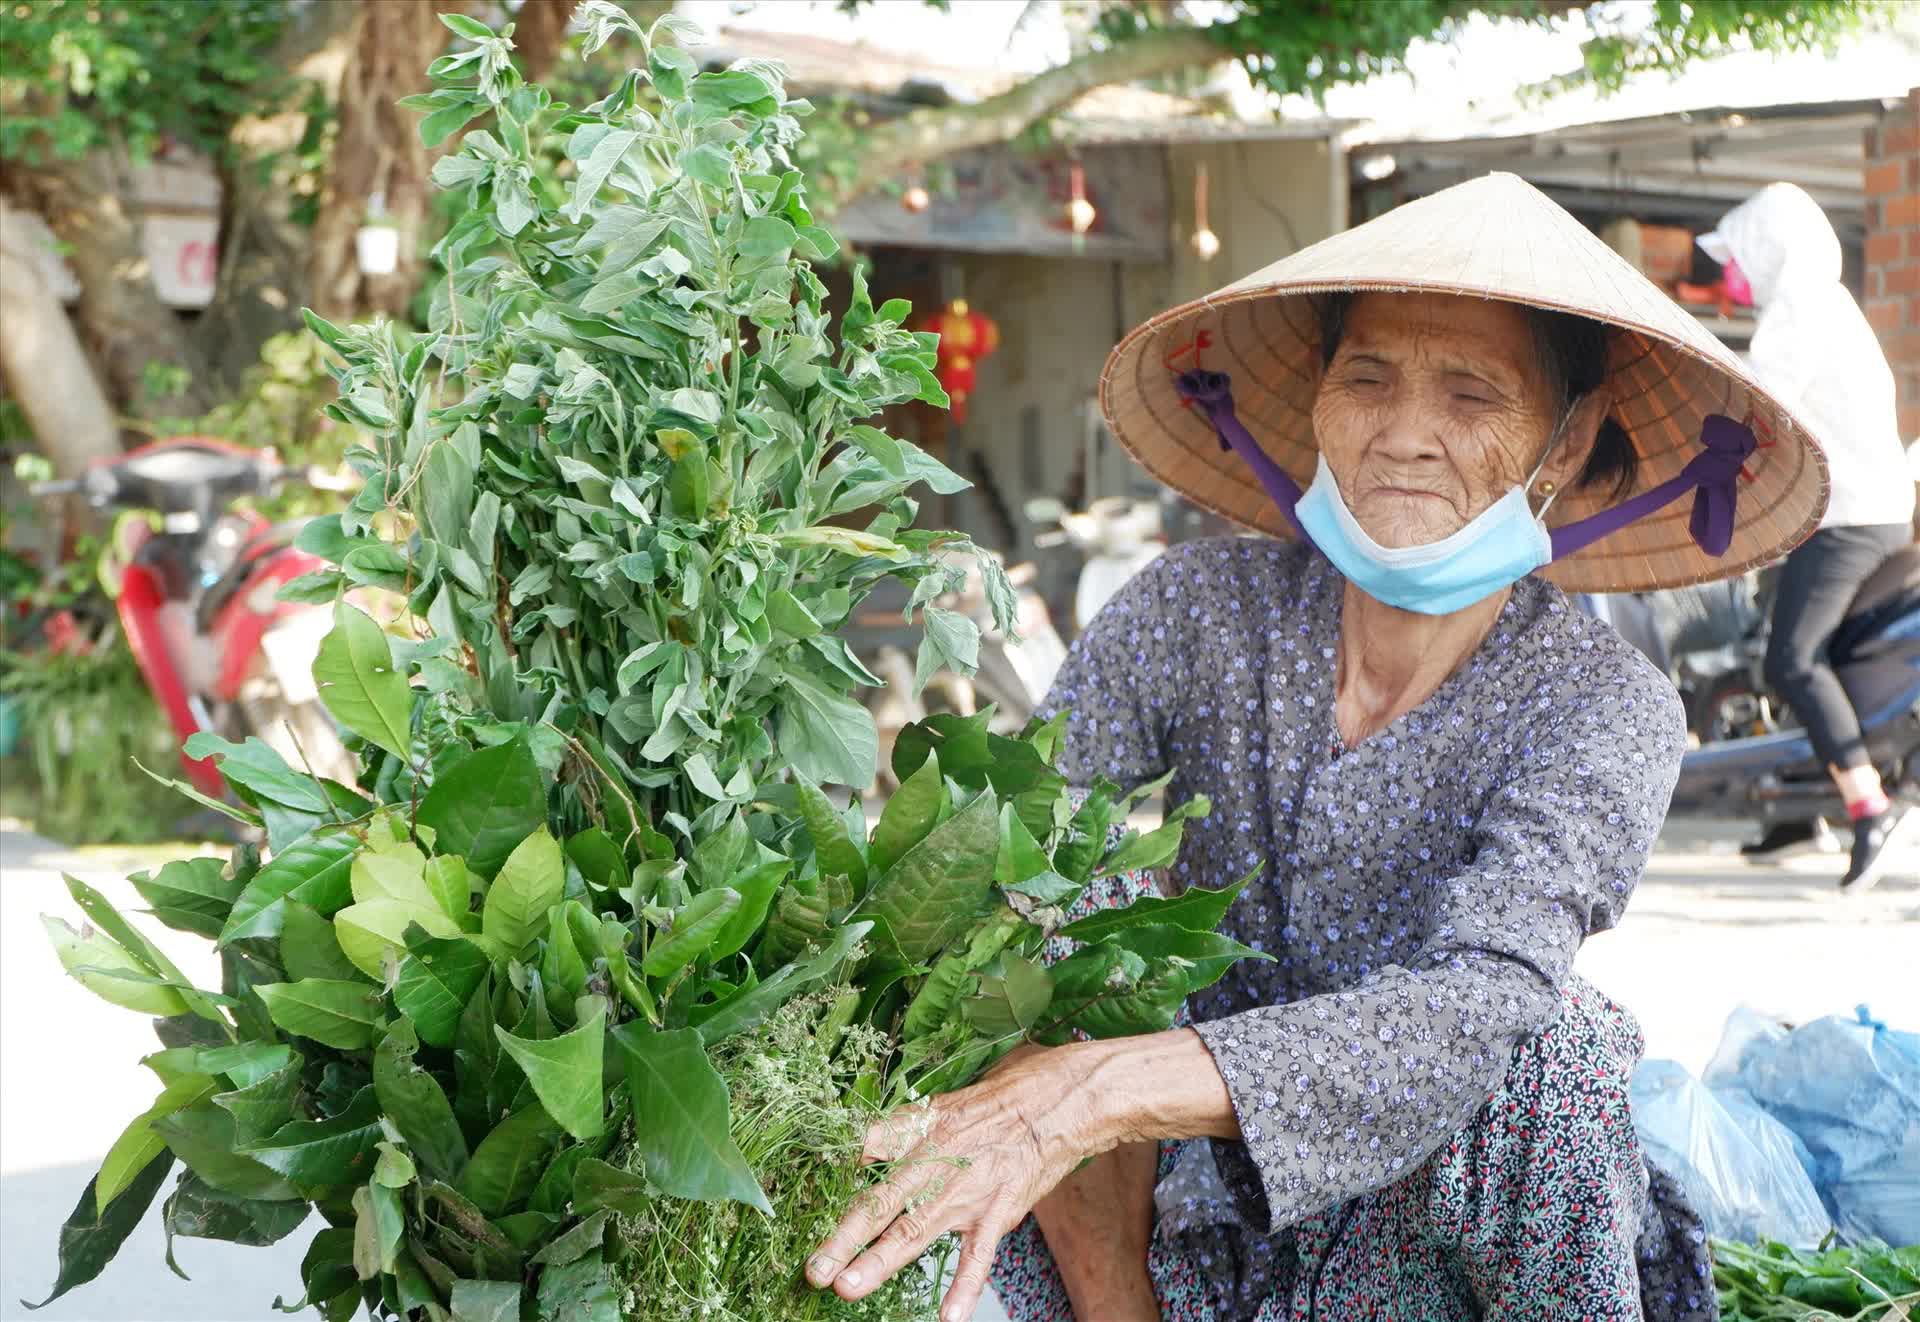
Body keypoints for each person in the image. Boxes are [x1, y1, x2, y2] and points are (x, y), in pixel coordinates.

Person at [805, 172, 1830, 1322]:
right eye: (1368, 378)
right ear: (1320, 404)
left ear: (1568, 438)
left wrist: (1098, 1090)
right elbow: (1023, 836)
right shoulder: (1198, 607)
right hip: (1184, 1214)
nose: (1403, 434)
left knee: (1554, 1050)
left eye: (1471, 393)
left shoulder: (1602, 702)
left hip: (1432, 1230)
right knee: (1051, 914)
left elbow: (1478, 1009)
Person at [1696, 183, 1915, 888]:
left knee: (1792, 661)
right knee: (1793, 653)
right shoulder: (1831, 305)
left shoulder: (1801, 312)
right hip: (1868, 513)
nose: (1736, 274)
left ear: (1769, 249)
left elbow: (1759, 398)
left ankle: (1866, 806)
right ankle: (1798, 812)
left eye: (1742, 257)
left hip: (1849, 521)